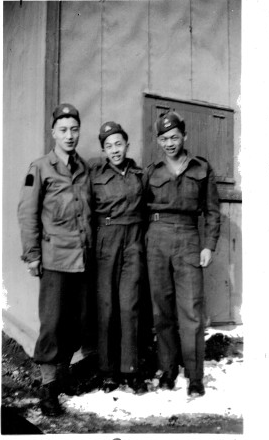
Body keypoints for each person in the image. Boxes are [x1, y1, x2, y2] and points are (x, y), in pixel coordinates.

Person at [18, 103, 92, 416]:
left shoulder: (83, 168)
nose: (70, 135)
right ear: (53, 133)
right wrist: (32, 254)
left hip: (81, 259)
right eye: (63, 130)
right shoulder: (40, 168)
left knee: (75, 322)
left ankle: (61, 377)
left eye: (74, 129)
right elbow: (27, 212)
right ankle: (48, 387)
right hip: (53, 259)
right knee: (51, 323)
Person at [144, 110, 220, 396]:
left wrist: (209, 245)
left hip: (188, 238)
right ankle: (167, 369)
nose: (170, 143)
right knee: (161, 310)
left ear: (184, 136)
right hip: (157, 239)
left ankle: (195, 375)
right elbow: (141, 210)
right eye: (164, 138)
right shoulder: (152, 172)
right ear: (158, 141)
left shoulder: (201, 168)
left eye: (174, 137)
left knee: (191, 311)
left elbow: (213, 211)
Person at [89, 121, 148, 394]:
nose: (115, 150)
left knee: (130, 306)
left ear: (127, 145)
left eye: (119, 144)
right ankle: (108, 371)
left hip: (133, 240)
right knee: (106, 307)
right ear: (103, 150)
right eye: (109, 146)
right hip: (106, 239)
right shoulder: (94, 174)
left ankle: (131, 370)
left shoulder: (139, 173)